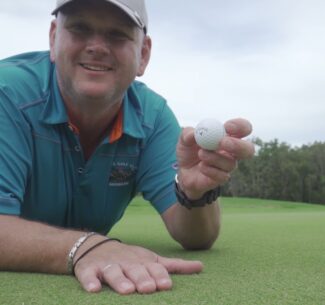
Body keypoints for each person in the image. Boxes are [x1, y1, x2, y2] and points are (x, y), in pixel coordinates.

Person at [0, 0, 254, 295]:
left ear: (143, 54)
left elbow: (197, 237)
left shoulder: (153, 117)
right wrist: (87, 247)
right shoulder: (7, 94)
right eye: (80, 29)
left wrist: (194, 194)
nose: (96, 46)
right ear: (54, 37)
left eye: (117, 34)